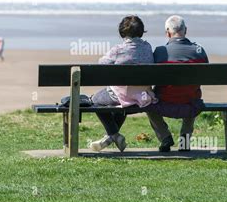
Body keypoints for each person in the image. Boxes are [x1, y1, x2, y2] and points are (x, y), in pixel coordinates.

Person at [89, 15, 157, 152]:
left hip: (124, 95)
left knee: (95, 101)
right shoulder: (147, 47)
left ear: (122, 32)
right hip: (144, 95)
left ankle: (114, 134)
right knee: (121, 100)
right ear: (141, 31)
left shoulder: (118, 50)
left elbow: (101, 64)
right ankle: (111, 137)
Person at [146, 15, 208, 152]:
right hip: (190, 103)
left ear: (168, 32)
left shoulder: (160, 52)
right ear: (185, 30)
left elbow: (152, 78)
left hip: (163, 102)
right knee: (192, 93)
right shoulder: (199, 51)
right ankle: (185, 141)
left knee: (147, 102)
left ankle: (164, 136)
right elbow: (202, 78)